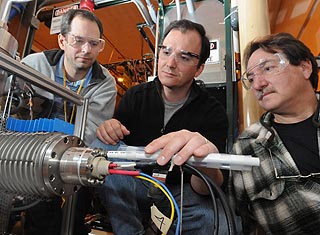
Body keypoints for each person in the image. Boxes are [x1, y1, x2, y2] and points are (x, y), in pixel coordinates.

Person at [151, 32, 320, 235]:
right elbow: (233, 215)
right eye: (251, 78)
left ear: (305, 67)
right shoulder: (246, 147)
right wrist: (205, 162)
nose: (258, 85)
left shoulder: (211, 110)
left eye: (268, 68)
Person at [91, 19, 229, 234]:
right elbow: (115, 158)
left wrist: (204, 159)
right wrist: (109, 129)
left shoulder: (213, 111)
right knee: (99, 144)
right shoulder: (134, 97)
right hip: (137, 180)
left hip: (181, 189)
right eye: (166, 52)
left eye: (184, 57)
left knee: (214, 220)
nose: (170, 63)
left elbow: (205, 187)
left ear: (200, 68)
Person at [19, 9, 117, 235]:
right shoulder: (34, 66)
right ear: (62, 40)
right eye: (78, 41)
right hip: (31, 158)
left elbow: (91, 134)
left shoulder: (105, 83)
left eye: (94, 43)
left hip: (76, 159)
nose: (86, 50)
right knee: (40, 221)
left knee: (73, 218)